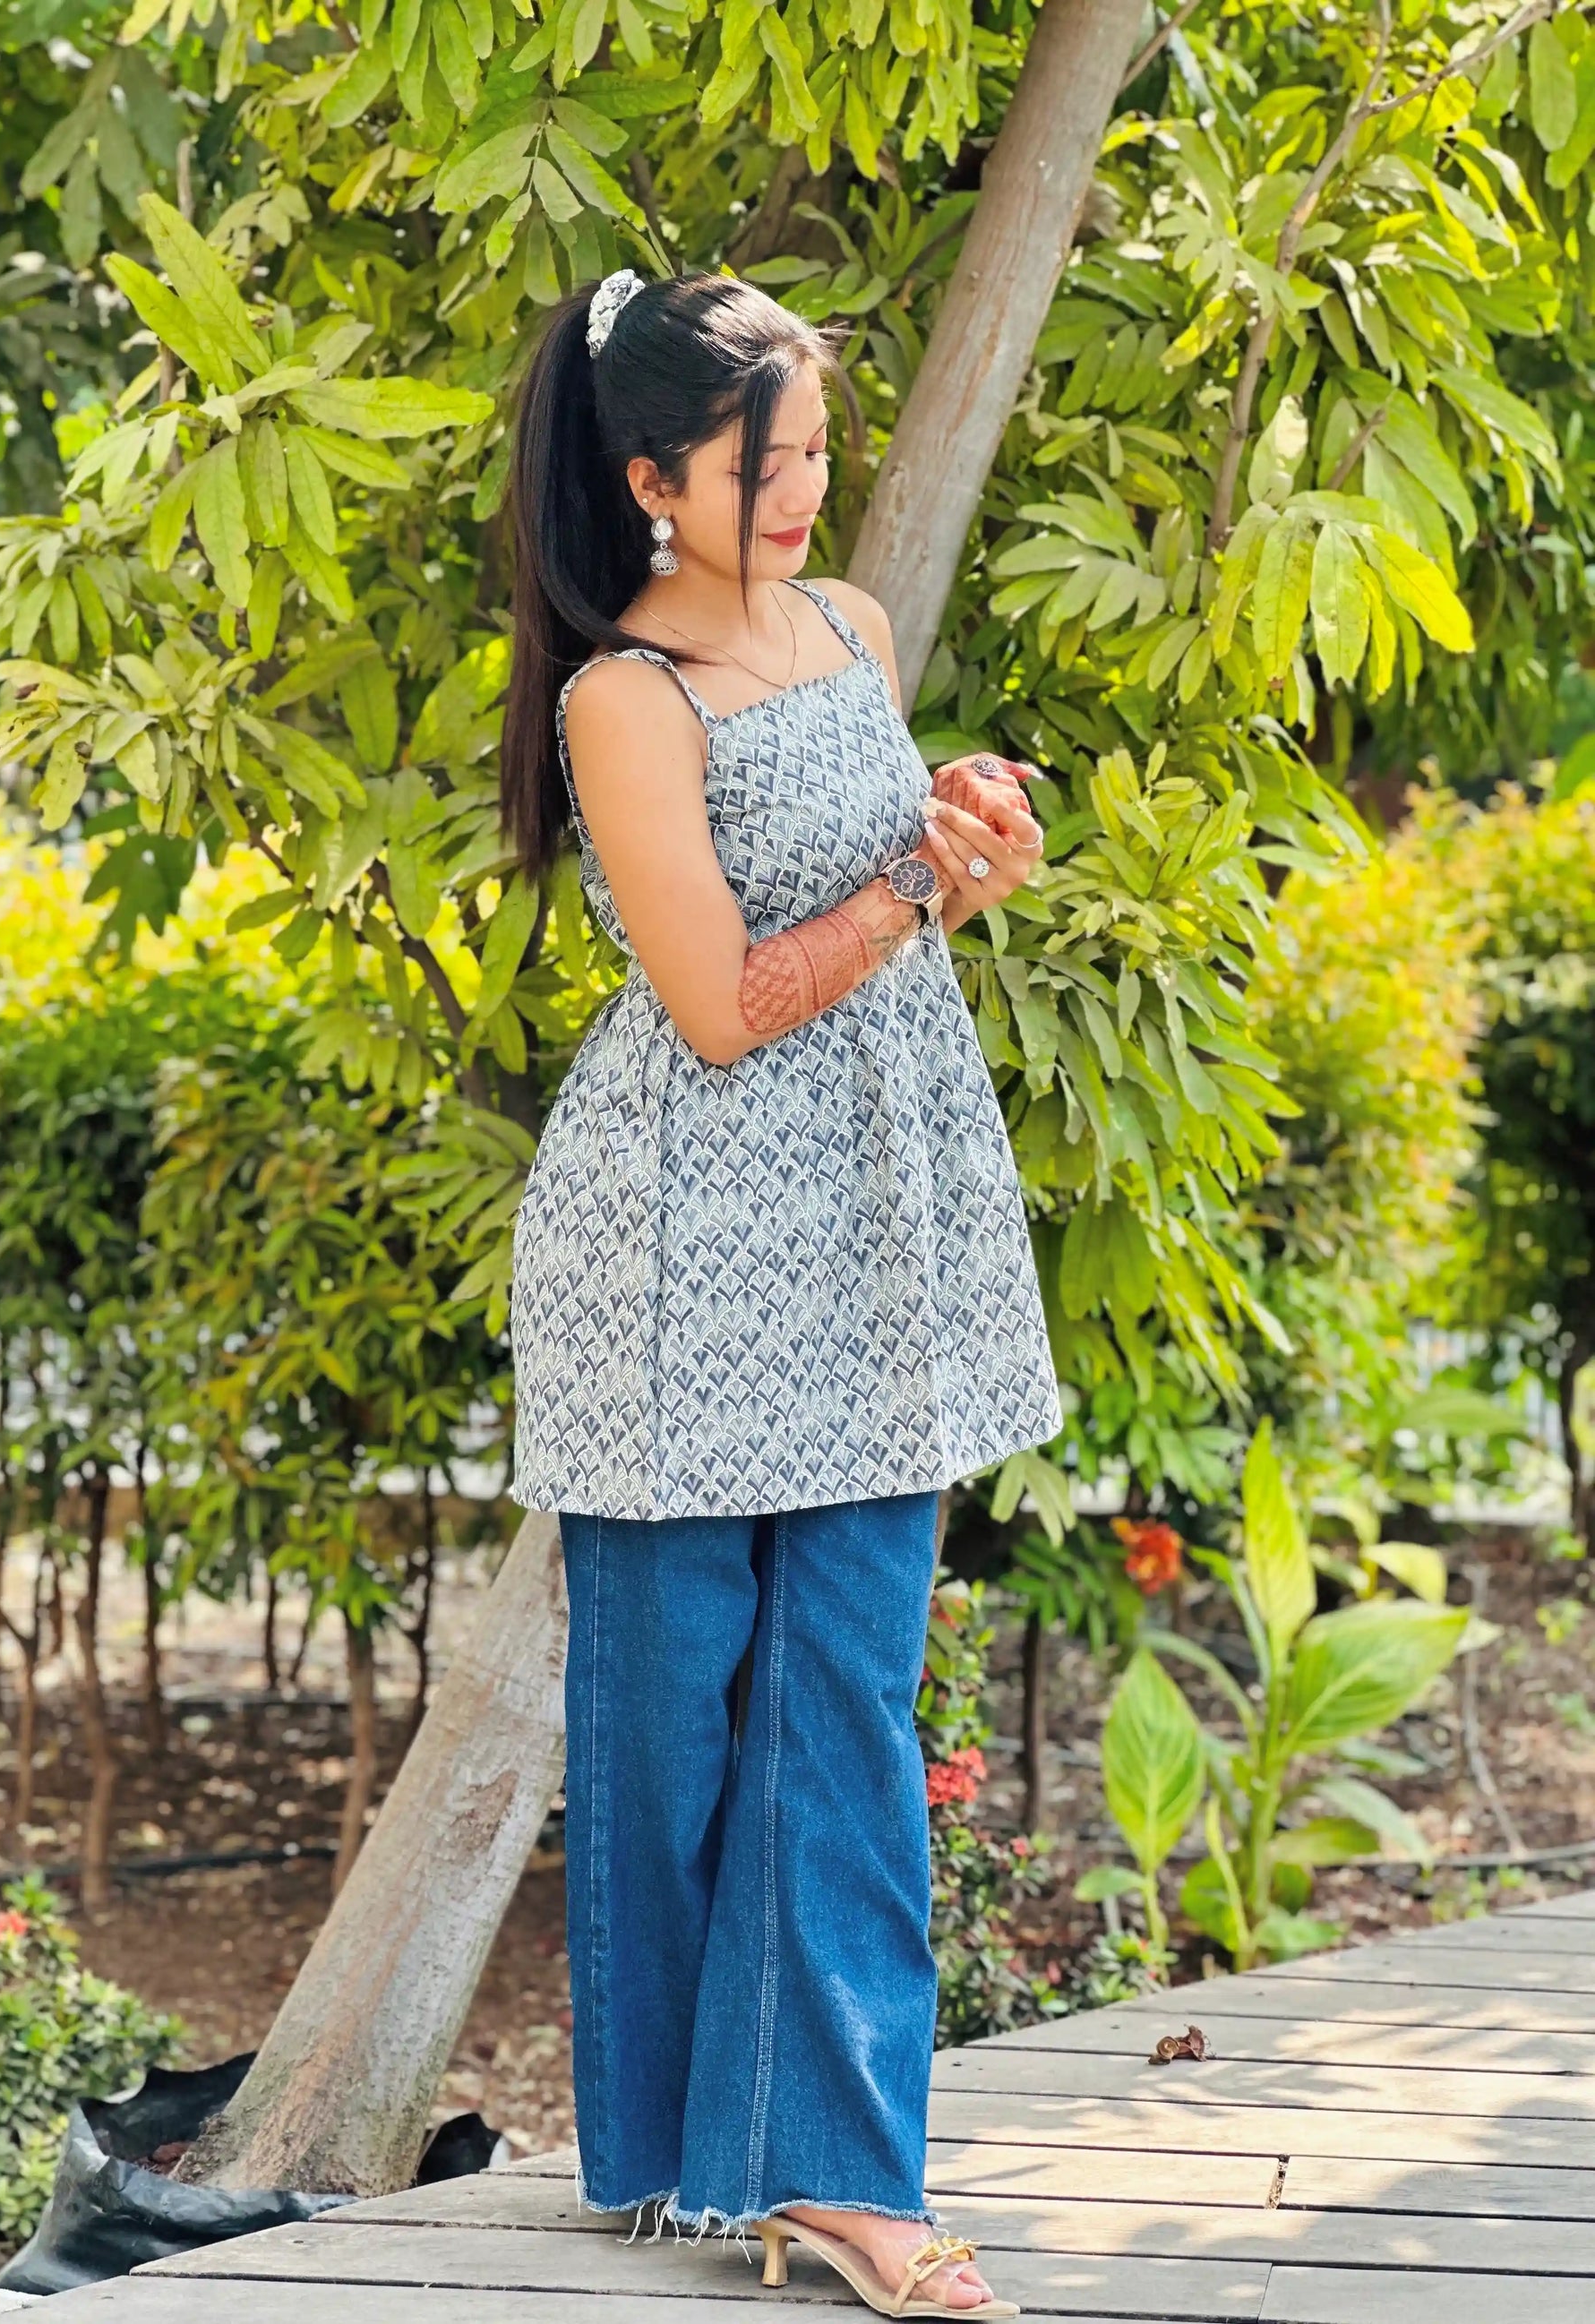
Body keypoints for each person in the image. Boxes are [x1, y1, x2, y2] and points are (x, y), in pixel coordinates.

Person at [499, 268, 1062, 2320]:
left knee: (845, 1691)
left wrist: (955, 833)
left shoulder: (850, 630)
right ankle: (675, 2153)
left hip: (873, 1233)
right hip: (677, 1262)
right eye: (766, 463)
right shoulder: (623, 700)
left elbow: (882, 897)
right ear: (654, 481)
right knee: (666, 1713)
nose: (807, 488)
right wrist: (916, 887)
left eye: (818, 446)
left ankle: (837, 2173)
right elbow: (723, 1003)